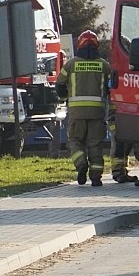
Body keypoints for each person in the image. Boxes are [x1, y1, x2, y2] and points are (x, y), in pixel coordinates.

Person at [57, 30, 111, 187]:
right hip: (97, 113)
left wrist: (64, 98)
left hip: (77, 113)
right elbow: (111, 88)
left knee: (75, 141)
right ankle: (96, 177)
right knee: (95, 145)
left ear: (79, 44)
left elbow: (60, 86)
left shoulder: (71, 64)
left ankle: (81, 164)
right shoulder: (104, 65)